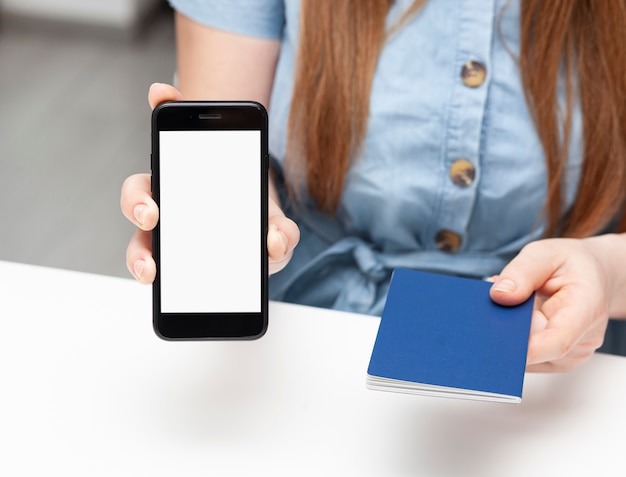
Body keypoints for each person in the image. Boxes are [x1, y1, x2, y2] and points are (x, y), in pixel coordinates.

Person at [121, 0, 626, 373]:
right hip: (307, 333)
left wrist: (608, 272)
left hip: (565, 356)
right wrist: (252, 220)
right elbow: (224, 145)